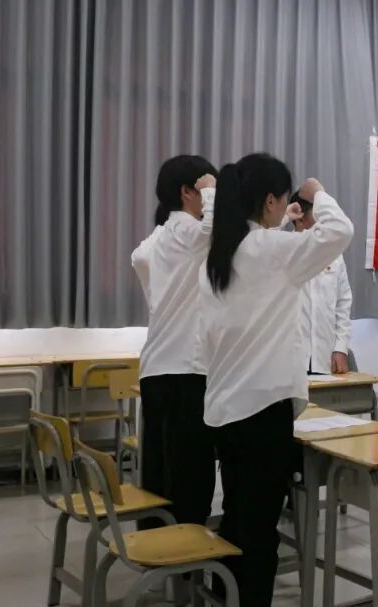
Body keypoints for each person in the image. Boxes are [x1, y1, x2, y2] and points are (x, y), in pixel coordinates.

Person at [199, 154, 353, 607]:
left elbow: (264, 253)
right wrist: (318, 191)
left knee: (237, 517)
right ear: (270, 200)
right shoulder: (272, 252)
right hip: (263, 412)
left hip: (227, 408)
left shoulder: (221, 255)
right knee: (260, 529)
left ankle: (225, 595)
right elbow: (339, 231)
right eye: (284, 199)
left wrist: (283, 221)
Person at [130, 155, 217, 530]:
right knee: (191, 471)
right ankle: (187, 549)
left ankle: (155, 543)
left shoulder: (158, 238)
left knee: (159, 466)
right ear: (187, 192)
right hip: (186, 368)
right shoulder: (188, 232)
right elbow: (217, 230)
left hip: (156, 367)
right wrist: (212, 192)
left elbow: (139, 256)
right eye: (206, 187)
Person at [284, 196, 353, 374]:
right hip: (288, 360)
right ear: (300, 218)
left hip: (325, 357)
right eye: (320, 215)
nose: (326, 223)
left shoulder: (334, 254)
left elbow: (343, 303)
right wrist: (284, 217)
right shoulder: (282, 248)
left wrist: (341, 347)